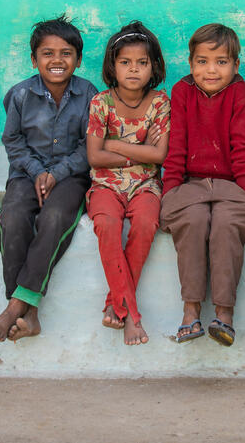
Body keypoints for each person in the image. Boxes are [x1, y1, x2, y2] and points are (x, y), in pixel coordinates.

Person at [0, 16, 98, 343]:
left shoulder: (90, 94)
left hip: (72, 177)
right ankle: (28, 313)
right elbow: (13, 141)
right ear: (34, 59)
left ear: (78, 59)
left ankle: (13, 307)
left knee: (55, 218)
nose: (57, 60)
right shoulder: (19, 95)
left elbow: (88, 146)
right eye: (48, 53)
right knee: (12, 217)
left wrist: (56, 174)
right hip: (25, 175)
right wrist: (37, 173)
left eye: (66, 53)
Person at [159, 24, 245, 346]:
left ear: (236, 65)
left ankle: (223, 312)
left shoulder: (240, 93)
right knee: (193, 220)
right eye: (202, 61)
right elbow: (176, 147)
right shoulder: (182, 92)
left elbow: (244, 146)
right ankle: (190, 310)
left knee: (226, 225)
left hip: (231, 185)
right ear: (190, 64)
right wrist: (169, 192)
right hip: (190, 184)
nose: (211, 70)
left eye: (221, 61)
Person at [85, 22, 170, 346]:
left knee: (147, 223)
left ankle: (115, 303)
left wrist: (114, 144)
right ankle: (131, 315)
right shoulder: (101, 103)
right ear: (113, 65)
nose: (133, 69)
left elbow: (159, 155)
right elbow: (94, 157)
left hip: (145, 185)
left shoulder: (160, 103)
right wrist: (139, 153)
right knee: (106, 224)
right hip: (105, 185)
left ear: (153, 67)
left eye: (142, 63)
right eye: (125, 62)